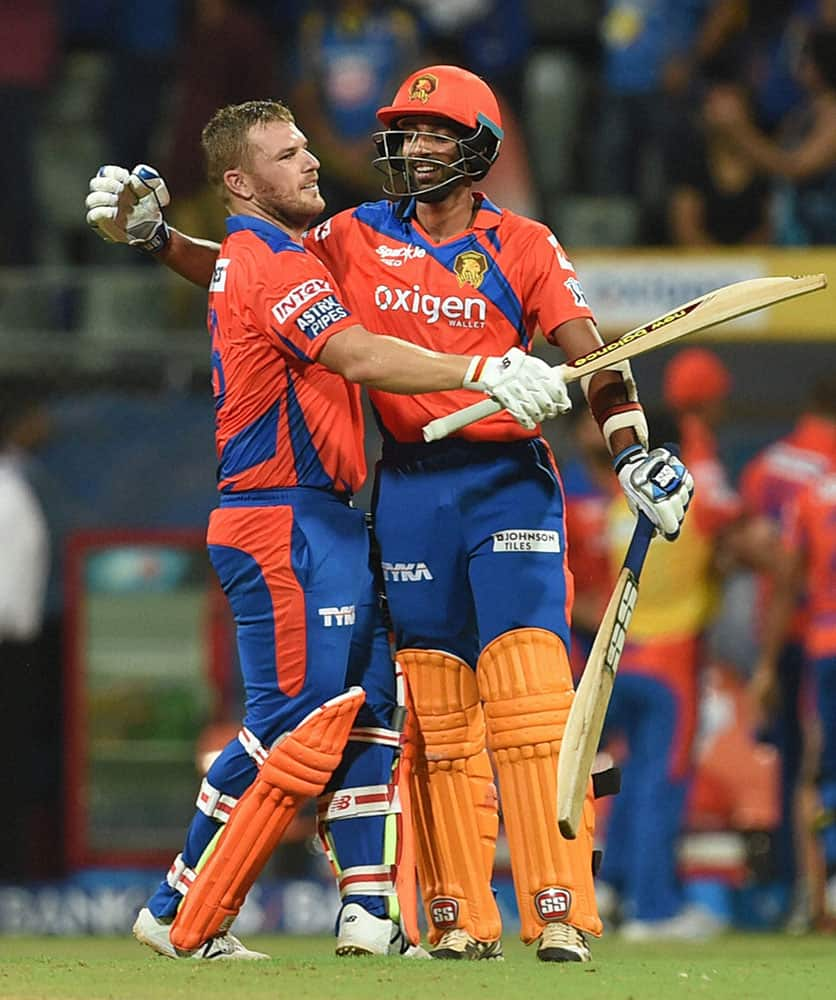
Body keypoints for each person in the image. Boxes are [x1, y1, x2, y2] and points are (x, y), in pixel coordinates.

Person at [86, 66, 694, 962]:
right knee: (432, 715)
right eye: (406, 133)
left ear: (478, 149)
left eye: (435, 133)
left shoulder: (523, 242)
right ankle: (450, 919)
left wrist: (633, 444)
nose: (414, 149)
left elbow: (595, 353)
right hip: (402, 486)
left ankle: (556, 909)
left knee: (526, 701)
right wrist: (159, 239)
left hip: (504, 483)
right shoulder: (351, 234)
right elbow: (249, 268)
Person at [739, 375, 836, 924]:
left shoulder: (772, 466)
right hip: (813, 627)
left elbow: (744, 541)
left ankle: (805, 894)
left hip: (801, 633)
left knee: (803, 770)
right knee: (816, 767)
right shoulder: (820, 476)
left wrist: (767, 664)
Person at [704, 25, 836, 244]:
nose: (795, 65)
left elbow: (796, 167)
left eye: (804, 58)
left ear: (818, 65)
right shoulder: (801, 114)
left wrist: (737, 129)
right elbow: (770, 158)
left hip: (825, 239)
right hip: (793, 234)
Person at [0, 388, 52, 880]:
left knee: (15, 765)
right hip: (8, 644)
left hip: (19, 648)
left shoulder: (17, 480)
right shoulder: (8, 486)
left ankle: (13, 873)